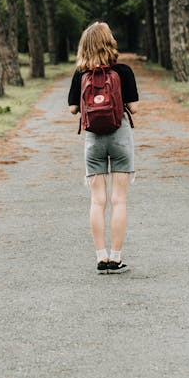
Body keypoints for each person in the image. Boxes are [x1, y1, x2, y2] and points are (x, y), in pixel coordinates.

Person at [68, 21, 139, 275]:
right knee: (119, 200)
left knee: (97, 201)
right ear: (110, 42)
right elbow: (135, 107)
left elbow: (73, 109)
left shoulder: (81, 73)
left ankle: (101, 257)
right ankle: (116, 258)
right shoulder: (123, 71)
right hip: (119, 136)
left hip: (93, 139)